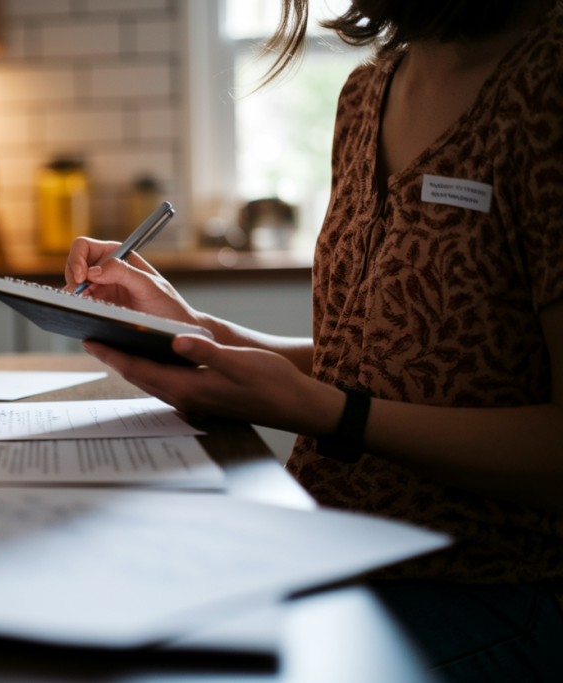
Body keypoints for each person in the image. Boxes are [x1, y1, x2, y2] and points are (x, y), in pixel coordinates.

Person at [65, 0, 563, 680]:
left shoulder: (547, 88)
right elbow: (369, 359)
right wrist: (193, 330)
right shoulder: (369, 92)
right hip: (335, 553)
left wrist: (328, 413)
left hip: (502, 587)